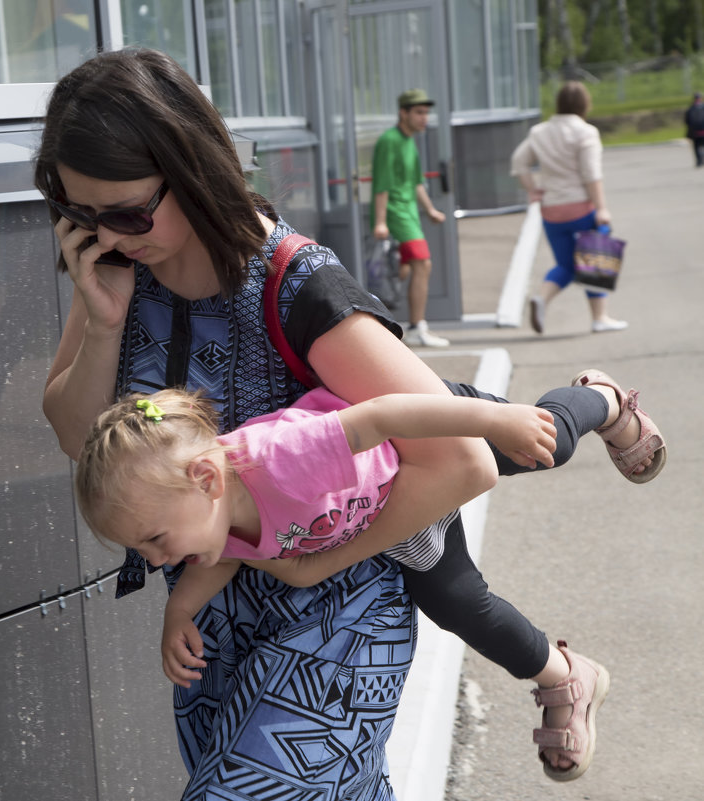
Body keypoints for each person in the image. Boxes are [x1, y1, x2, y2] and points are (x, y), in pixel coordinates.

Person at [35, 49, 665, 793]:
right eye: (82, 216)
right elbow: (84, 443)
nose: (106, 234)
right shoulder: (114, 272)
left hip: (340, 612)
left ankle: (599, 405)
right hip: (219, 620)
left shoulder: (296, 284)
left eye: (127, 211)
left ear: (190, 164)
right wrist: (104, 325)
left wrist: (315, 562)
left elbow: (461, 460)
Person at [74, 385, 558, 686]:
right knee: (460, 605)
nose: (156, 561)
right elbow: (224, 561)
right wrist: (178, 612)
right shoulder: (213, 528)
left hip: (425, 440)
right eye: (141, 550)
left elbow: (381, 415)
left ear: (207, 479)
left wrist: (494, 420)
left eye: (155, 539)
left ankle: (600, 402)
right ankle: (557, 674)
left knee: (549, 441)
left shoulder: (282, 458)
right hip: (400, 517)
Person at [511, 81, 628, 335]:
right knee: (594, 261)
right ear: (585, 104)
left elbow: (519, 162)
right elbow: (591, 174)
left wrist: (533, 189)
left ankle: (541, 298)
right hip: (580, 208)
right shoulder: (586, 132)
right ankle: (600, 318)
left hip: (552, 210)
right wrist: (602, 208)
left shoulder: (539, 132)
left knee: (566, 264)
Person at [371, 88, 449, 347]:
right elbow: (380, 185)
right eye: (418, 112)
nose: (424, 118)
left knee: (401, 271)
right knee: (422, 264)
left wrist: (430, 211)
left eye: (426, 113)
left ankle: (379, 319)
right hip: (396, 213)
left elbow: (416, 183)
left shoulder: (409, 141)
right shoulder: (389, 141)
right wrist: (380, 221)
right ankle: (417, 326)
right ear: (402, 113)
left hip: (410, 213)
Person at [684, 91, 704, 168]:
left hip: (694, 132)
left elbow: (687, 121)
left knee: (696, 147)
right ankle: (701, 158)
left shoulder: (690, 109)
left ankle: (699, 160)